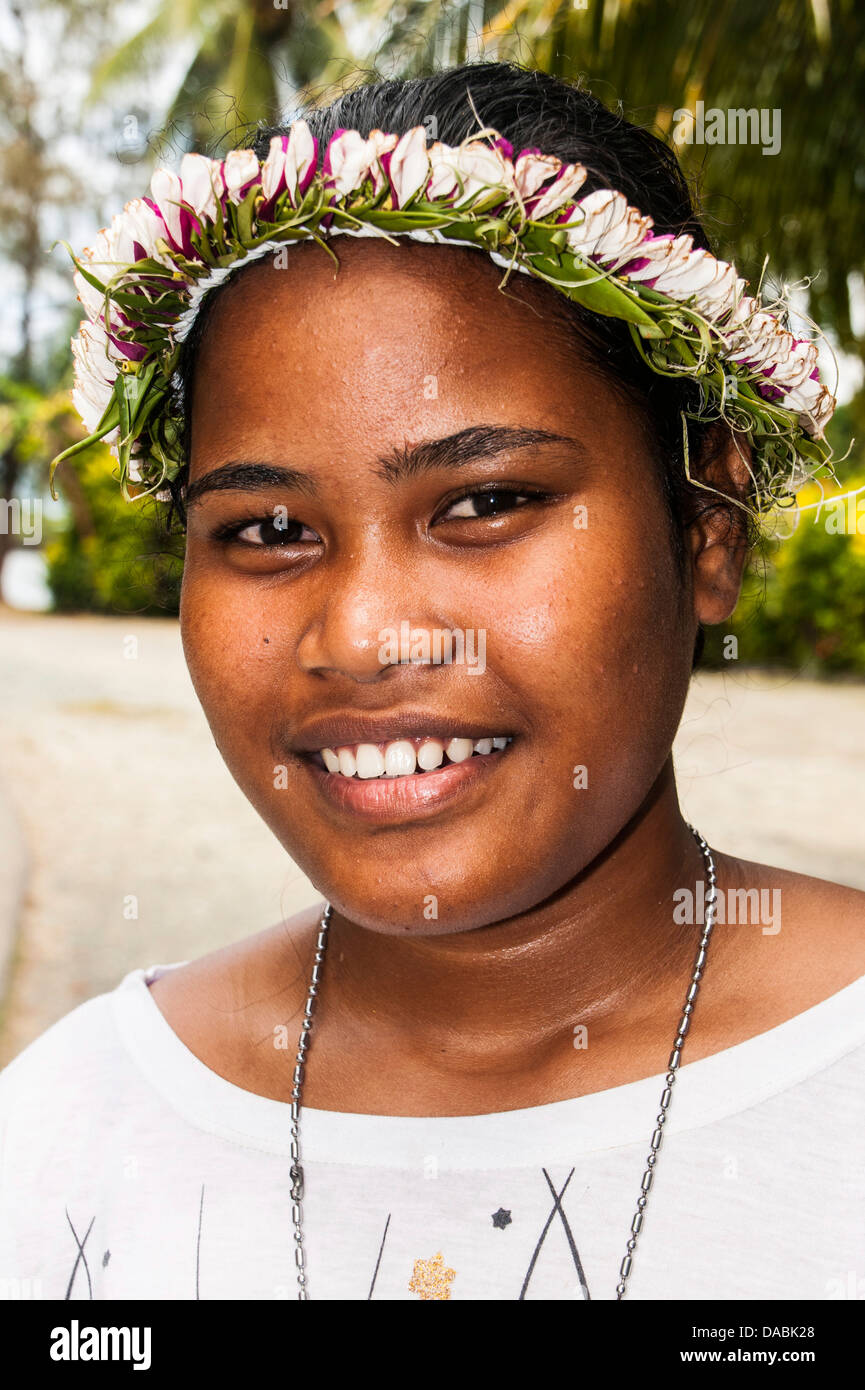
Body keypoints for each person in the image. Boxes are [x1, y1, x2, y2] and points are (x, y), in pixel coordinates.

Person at [1, 61, 862, 1303]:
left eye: (486, 502)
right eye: (264, 529)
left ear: (707, 524)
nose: (359, 634)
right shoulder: (73, 1137)